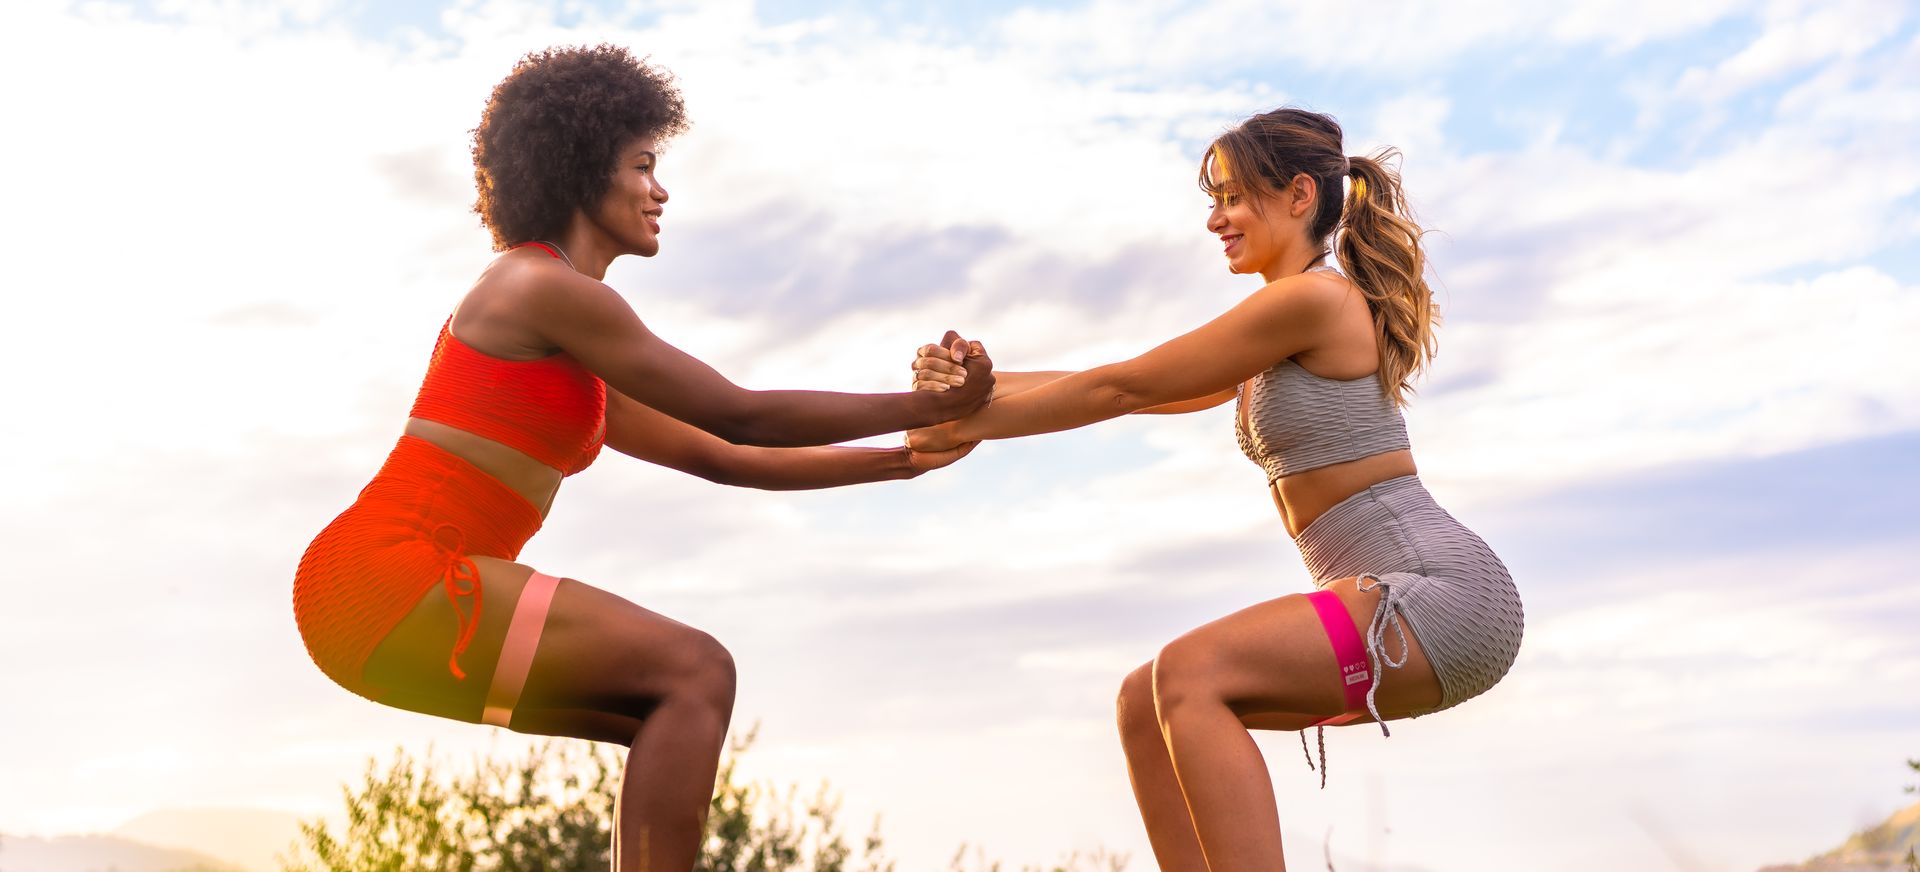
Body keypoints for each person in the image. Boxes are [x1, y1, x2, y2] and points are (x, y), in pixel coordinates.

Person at [292, 44, 993, 872]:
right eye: (644, 164)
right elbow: (741, 414)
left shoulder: (571, 336)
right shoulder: (537, 287)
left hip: (370, 603)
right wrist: (933, 404)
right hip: (394, 578)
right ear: (585, 168)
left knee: (666, 705)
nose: (661, 190)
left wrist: (905, 457)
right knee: (695, 669)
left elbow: (723, 457)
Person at [907, 107, 1521, 871]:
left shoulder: (1314, 301)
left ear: (1299, 196)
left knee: (1191, 673)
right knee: (1145, 702)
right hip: (1419, 600)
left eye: (1231, 197)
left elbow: (1123, 387)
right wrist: (969, 396)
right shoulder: (1281, 322)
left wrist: (967, 423)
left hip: (1435, 590)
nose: (1214, 220)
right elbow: (1141, 387)